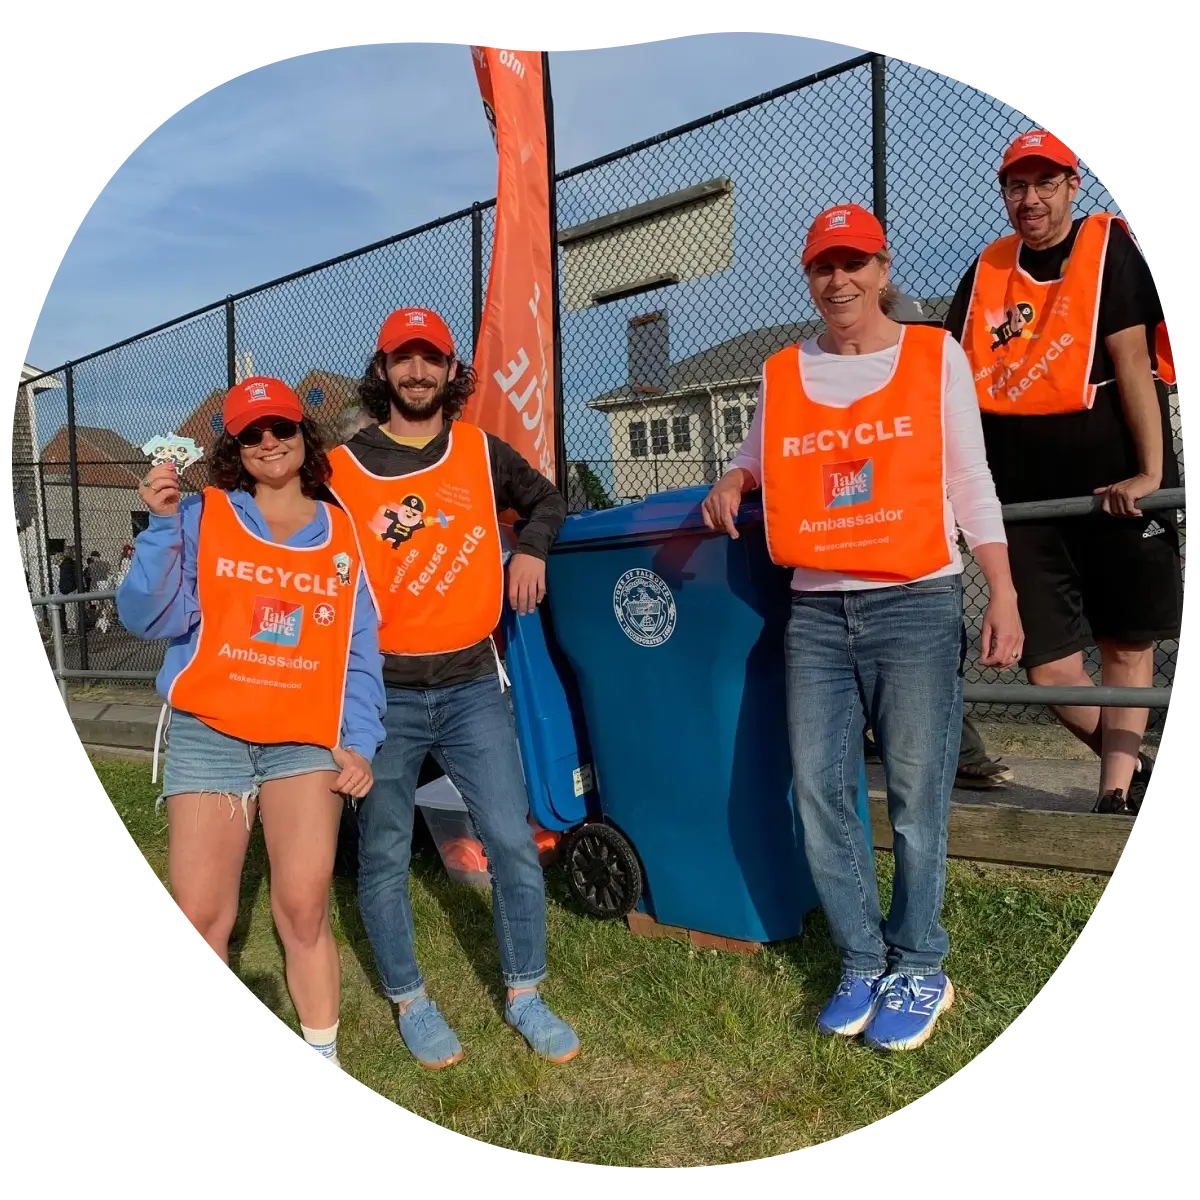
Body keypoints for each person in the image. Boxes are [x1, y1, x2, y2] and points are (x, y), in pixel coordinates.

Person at [702, 205, 1023, 1052]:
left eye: (854, 263)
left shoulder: (933, 354)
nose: (838, 280)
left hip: (916, 603)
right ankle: (863, 957)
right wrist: (736, 479)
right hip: (815, 611)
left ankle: (921, 962)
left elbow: (968, 478)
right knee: (819, 797)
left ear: (883, 269)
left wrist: (1002, 590)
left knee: (917, 802)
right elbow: (757, 452)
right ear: (808, 279)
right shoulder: (783, 371)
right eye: (822, 266)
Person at [325, 306, 578, 1069]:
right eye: (403, 359)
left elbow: (548, 500)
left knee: (510, 837)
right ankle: (409, 999)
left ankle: (526, 993)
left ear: (448, 369)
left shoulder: (478, 450)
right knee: (383, 854)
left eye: (430, 358)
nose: (417, 373)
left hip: (472, 684)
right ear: (382, 371)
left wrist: (530, 549)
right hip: (385, 697)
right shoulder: (341, 468)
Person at [116, 376, 387, 1074]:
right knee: (203, 916)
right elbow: (150, 617)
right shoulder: (203, 513)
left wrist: (358, 740)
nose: (269, 442)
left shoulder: (343, 532)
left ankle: (321, 1063)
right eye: (252, 433)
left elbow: (357, 651)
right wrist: (160, 529)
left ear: (304, 434)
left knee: (302, 908)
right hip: (212, 736)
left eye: (281, 428)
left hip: (303, 741)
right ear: (234, 446)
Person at [945, 130, 1181, 816]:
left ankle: (1114, 792)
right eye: (1018, 185)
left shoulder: (1108, 249)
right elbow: (953, 377)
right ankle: (1134, 759)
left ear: (1073, 188)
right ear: (1004, 195)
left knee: (1125, 641)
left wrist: (1148, 472)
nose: (1032, 198)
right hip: (1026, 497)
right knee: (1048, 666)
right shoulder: (989, 268)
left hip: (1114, 486)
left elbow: (1134, 364)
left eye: (1046, 183)